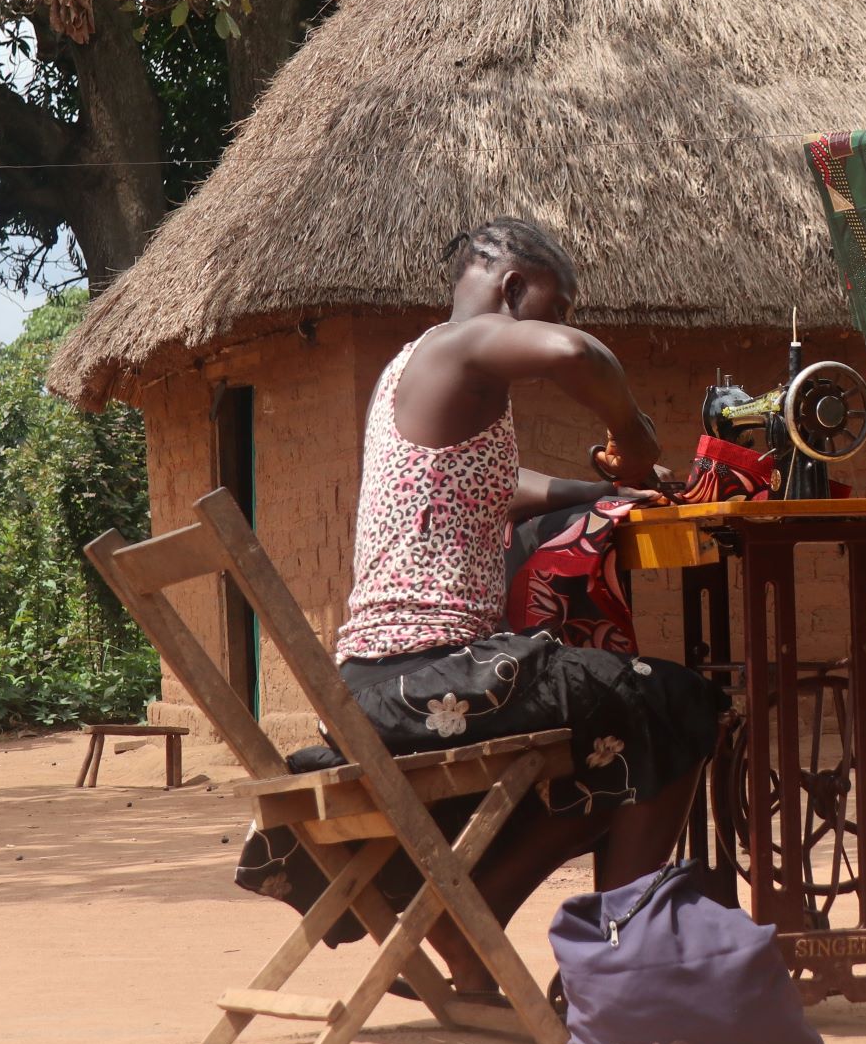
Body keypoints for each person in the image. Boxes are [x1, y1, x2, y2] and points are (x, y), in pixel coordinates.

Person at [236, 216, 727, 999]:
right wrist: (631, 435)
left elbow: (499, 487)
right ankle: (615, 970)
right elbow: (576, 355)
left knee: (614, 743)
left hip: (388, 682)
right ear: (513, 288)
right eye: (555, 305)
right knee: (679, 702)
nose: (556, 323)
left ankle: (474, 922)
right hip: (425, 678)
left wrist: (607, 488)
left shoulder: (416, 370)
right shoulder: (457, 347)